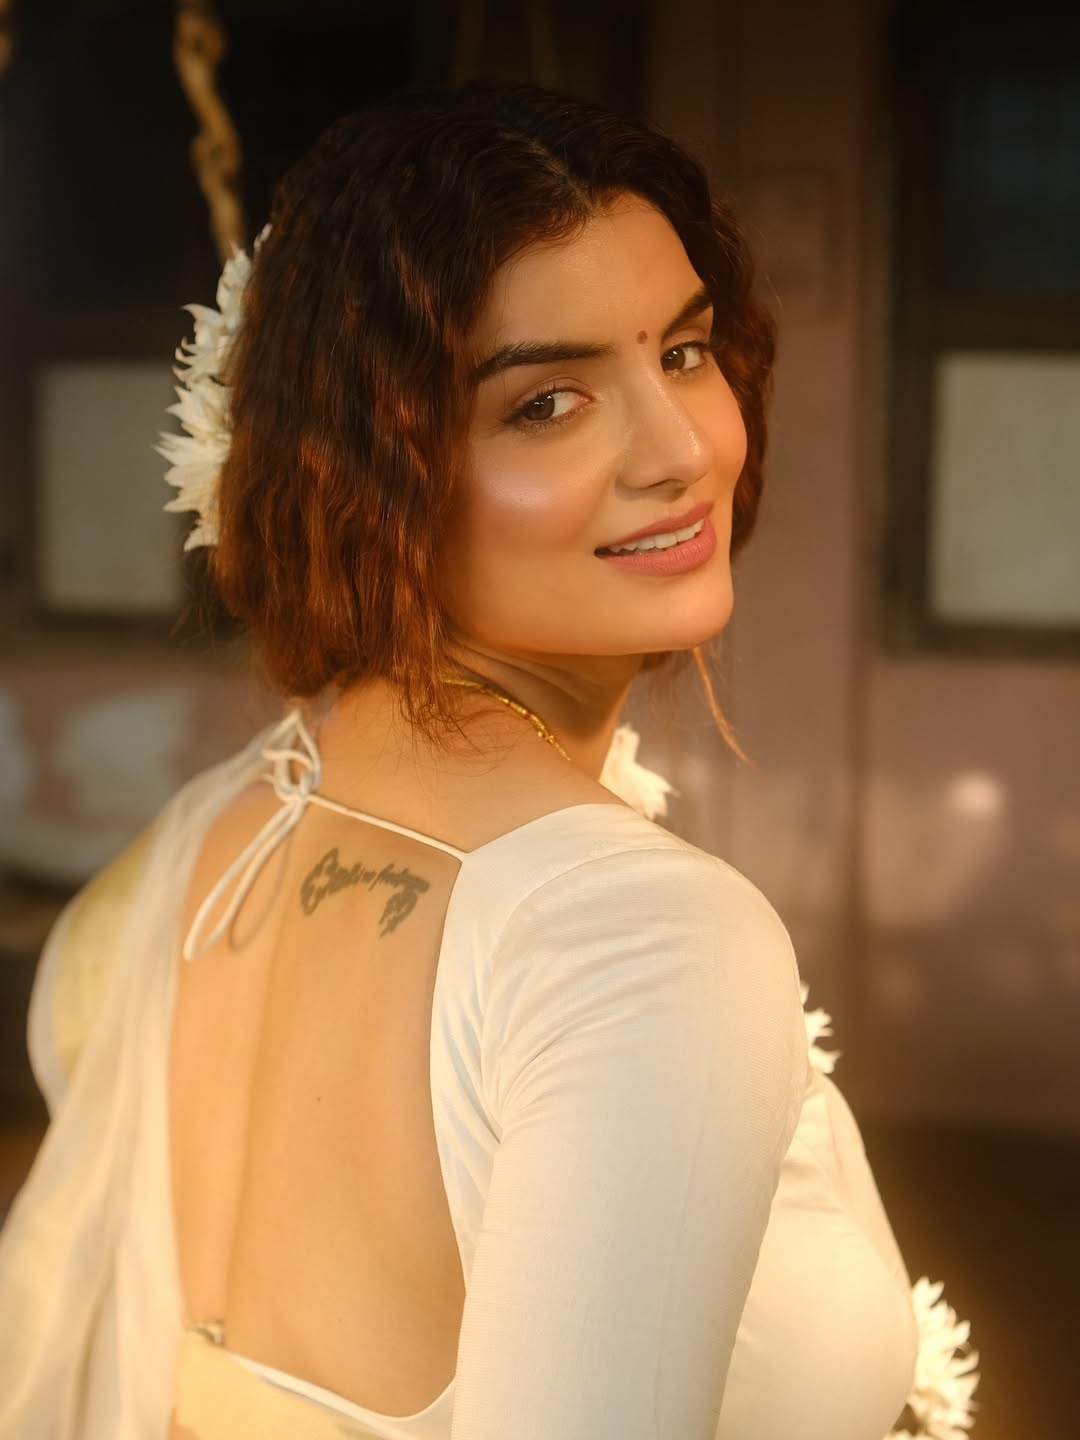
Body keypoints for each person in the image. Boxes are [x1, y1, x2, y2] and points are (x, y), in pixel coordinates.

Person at [0, 80, 926, 1440]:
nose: (683, 449)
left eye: (683, 351)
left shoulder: (218, 835)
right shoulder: (634, 941)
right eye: (546, 402)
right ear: (364, 474)